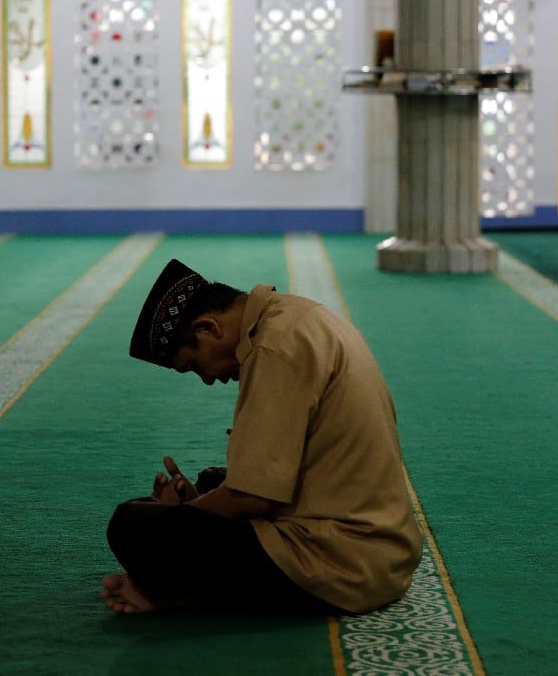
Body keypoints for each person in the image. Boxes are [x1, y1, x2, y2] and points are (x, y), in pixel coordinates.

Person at [100, 259, 422, 615]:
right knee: (211, 482)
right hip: (381, 549)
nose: (207, 379)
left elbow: (251, 498)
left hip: (340, 562)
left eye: (194, 365)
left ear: (207, 327)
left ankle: (165, 594)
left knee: (132, 524)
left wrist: (183, 516)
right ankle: (169, 587)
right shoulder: (294, 316)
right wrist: (202, 503)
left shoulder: (274, 349)